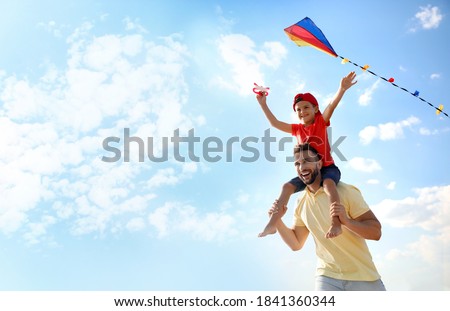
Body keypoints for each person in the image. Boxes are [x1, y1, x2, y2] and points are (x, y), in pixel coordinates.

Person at [270, 143, 386, 291]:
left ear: (319, 164)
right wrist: (278, 220)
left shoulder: (345, 191)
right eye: (297, 163)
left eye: (306, 161)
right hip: (327, 276)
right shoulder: (300, 202)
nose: (301, 167)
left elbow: (376, 233)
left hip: (363, 277)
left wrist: (347, 222)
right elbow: (296, 243)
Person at [256, 71, 357, 238]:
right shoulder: (296, 129)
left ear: (315, 108)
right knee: (286, 187)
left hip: (327, 169)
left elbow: (331, 105)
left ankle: (336, 222)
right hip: (308, 173)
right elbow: (274, 123)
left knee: (329, 184)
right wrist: (263, 104)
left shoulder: (320, 121)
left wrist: (342, 89)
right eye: (298, 109)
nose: (302, 111)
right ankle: (272, 223)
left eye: (306, 107)